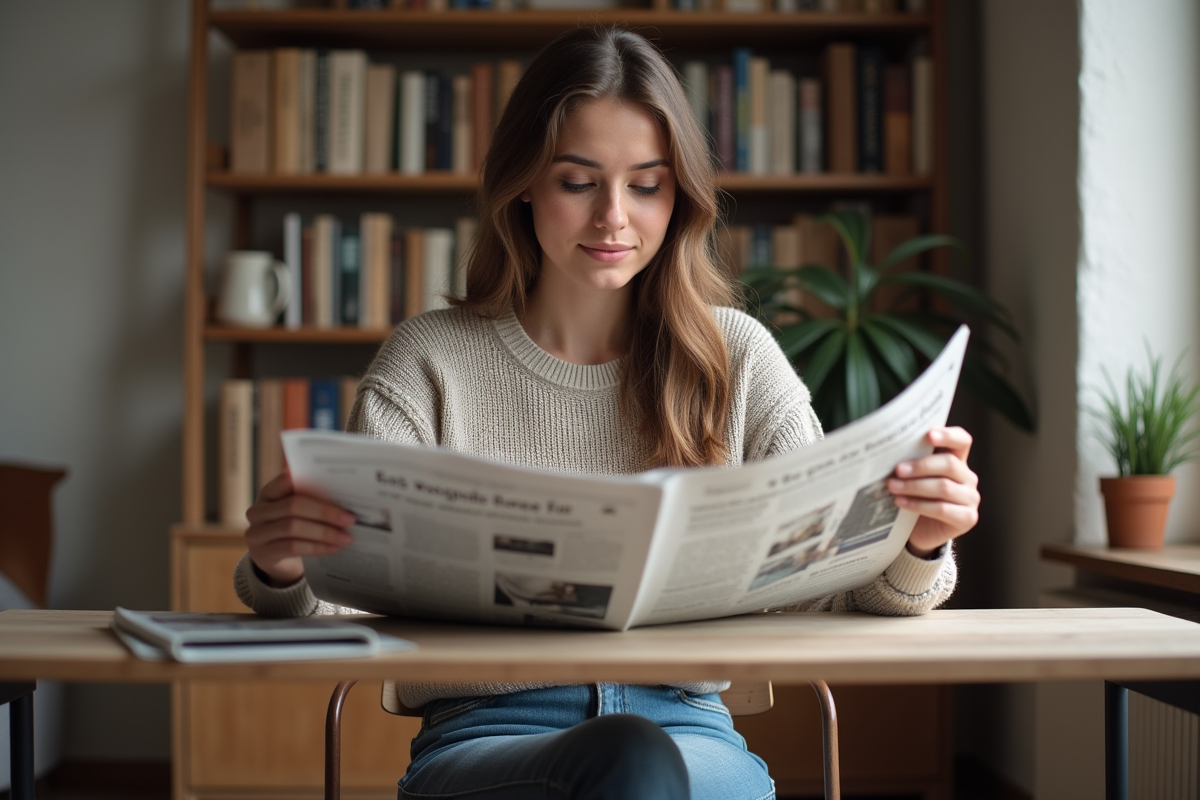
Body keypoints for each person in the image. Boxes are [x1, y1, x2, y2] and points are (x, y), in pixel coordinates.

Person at [235, 25, 980, 800]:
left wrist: (919, 541)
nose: (613, 218)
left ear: (680, 195)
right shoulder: (430, 362)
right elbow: (340, 599)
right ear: (524, 183)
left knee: (641, 762)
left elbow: (835, 587)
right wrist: (281, 566)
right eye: (578, 181)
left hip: (693, 735)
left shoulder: (738, 359)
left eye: (647, 185)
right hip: (486, 740)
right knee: (628, 762)